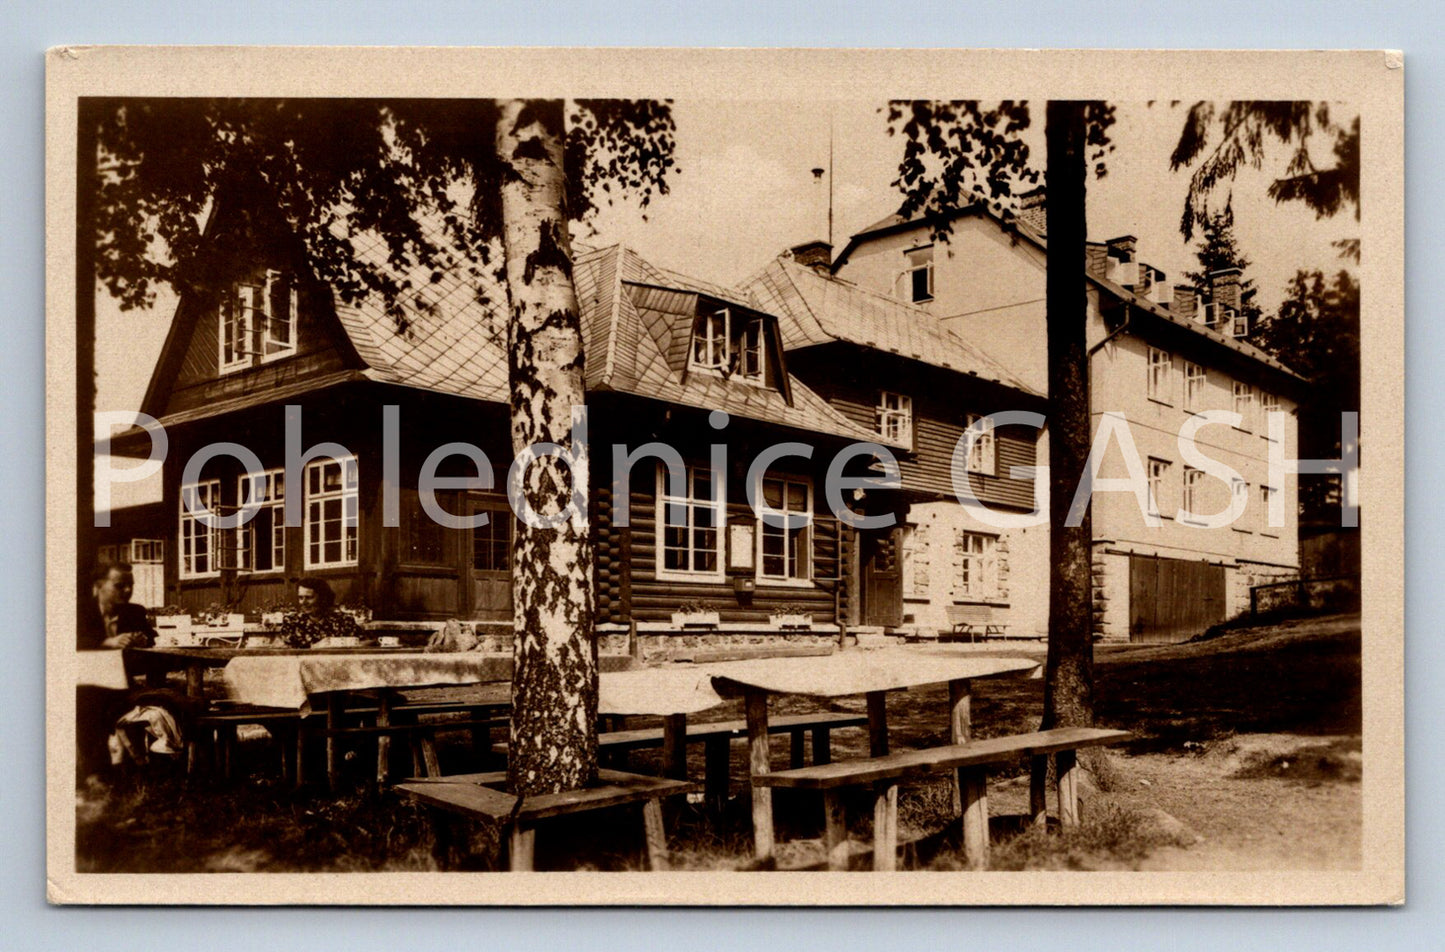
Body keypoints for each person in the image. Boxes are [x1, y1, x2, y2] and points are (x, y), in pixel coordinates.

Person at [79, 561, 155, 651]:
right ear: (99, 585)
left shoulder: (136, 611)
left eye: (131, 585)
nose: (128, 590)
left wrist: (143, 640)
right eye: (120, 586)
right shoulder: (80, 610)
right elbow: (73, 641)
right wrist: (107, 642)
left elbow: (151, 638)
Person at [279, 578, 363, 648]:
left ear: (323, 598)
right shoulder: (292, 622)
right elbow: (285, 651)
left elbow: (365, 642)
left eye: (309, 598)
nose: (303, 602)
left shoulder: (344, 620)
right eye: (300, 598)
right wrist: (315, 647)